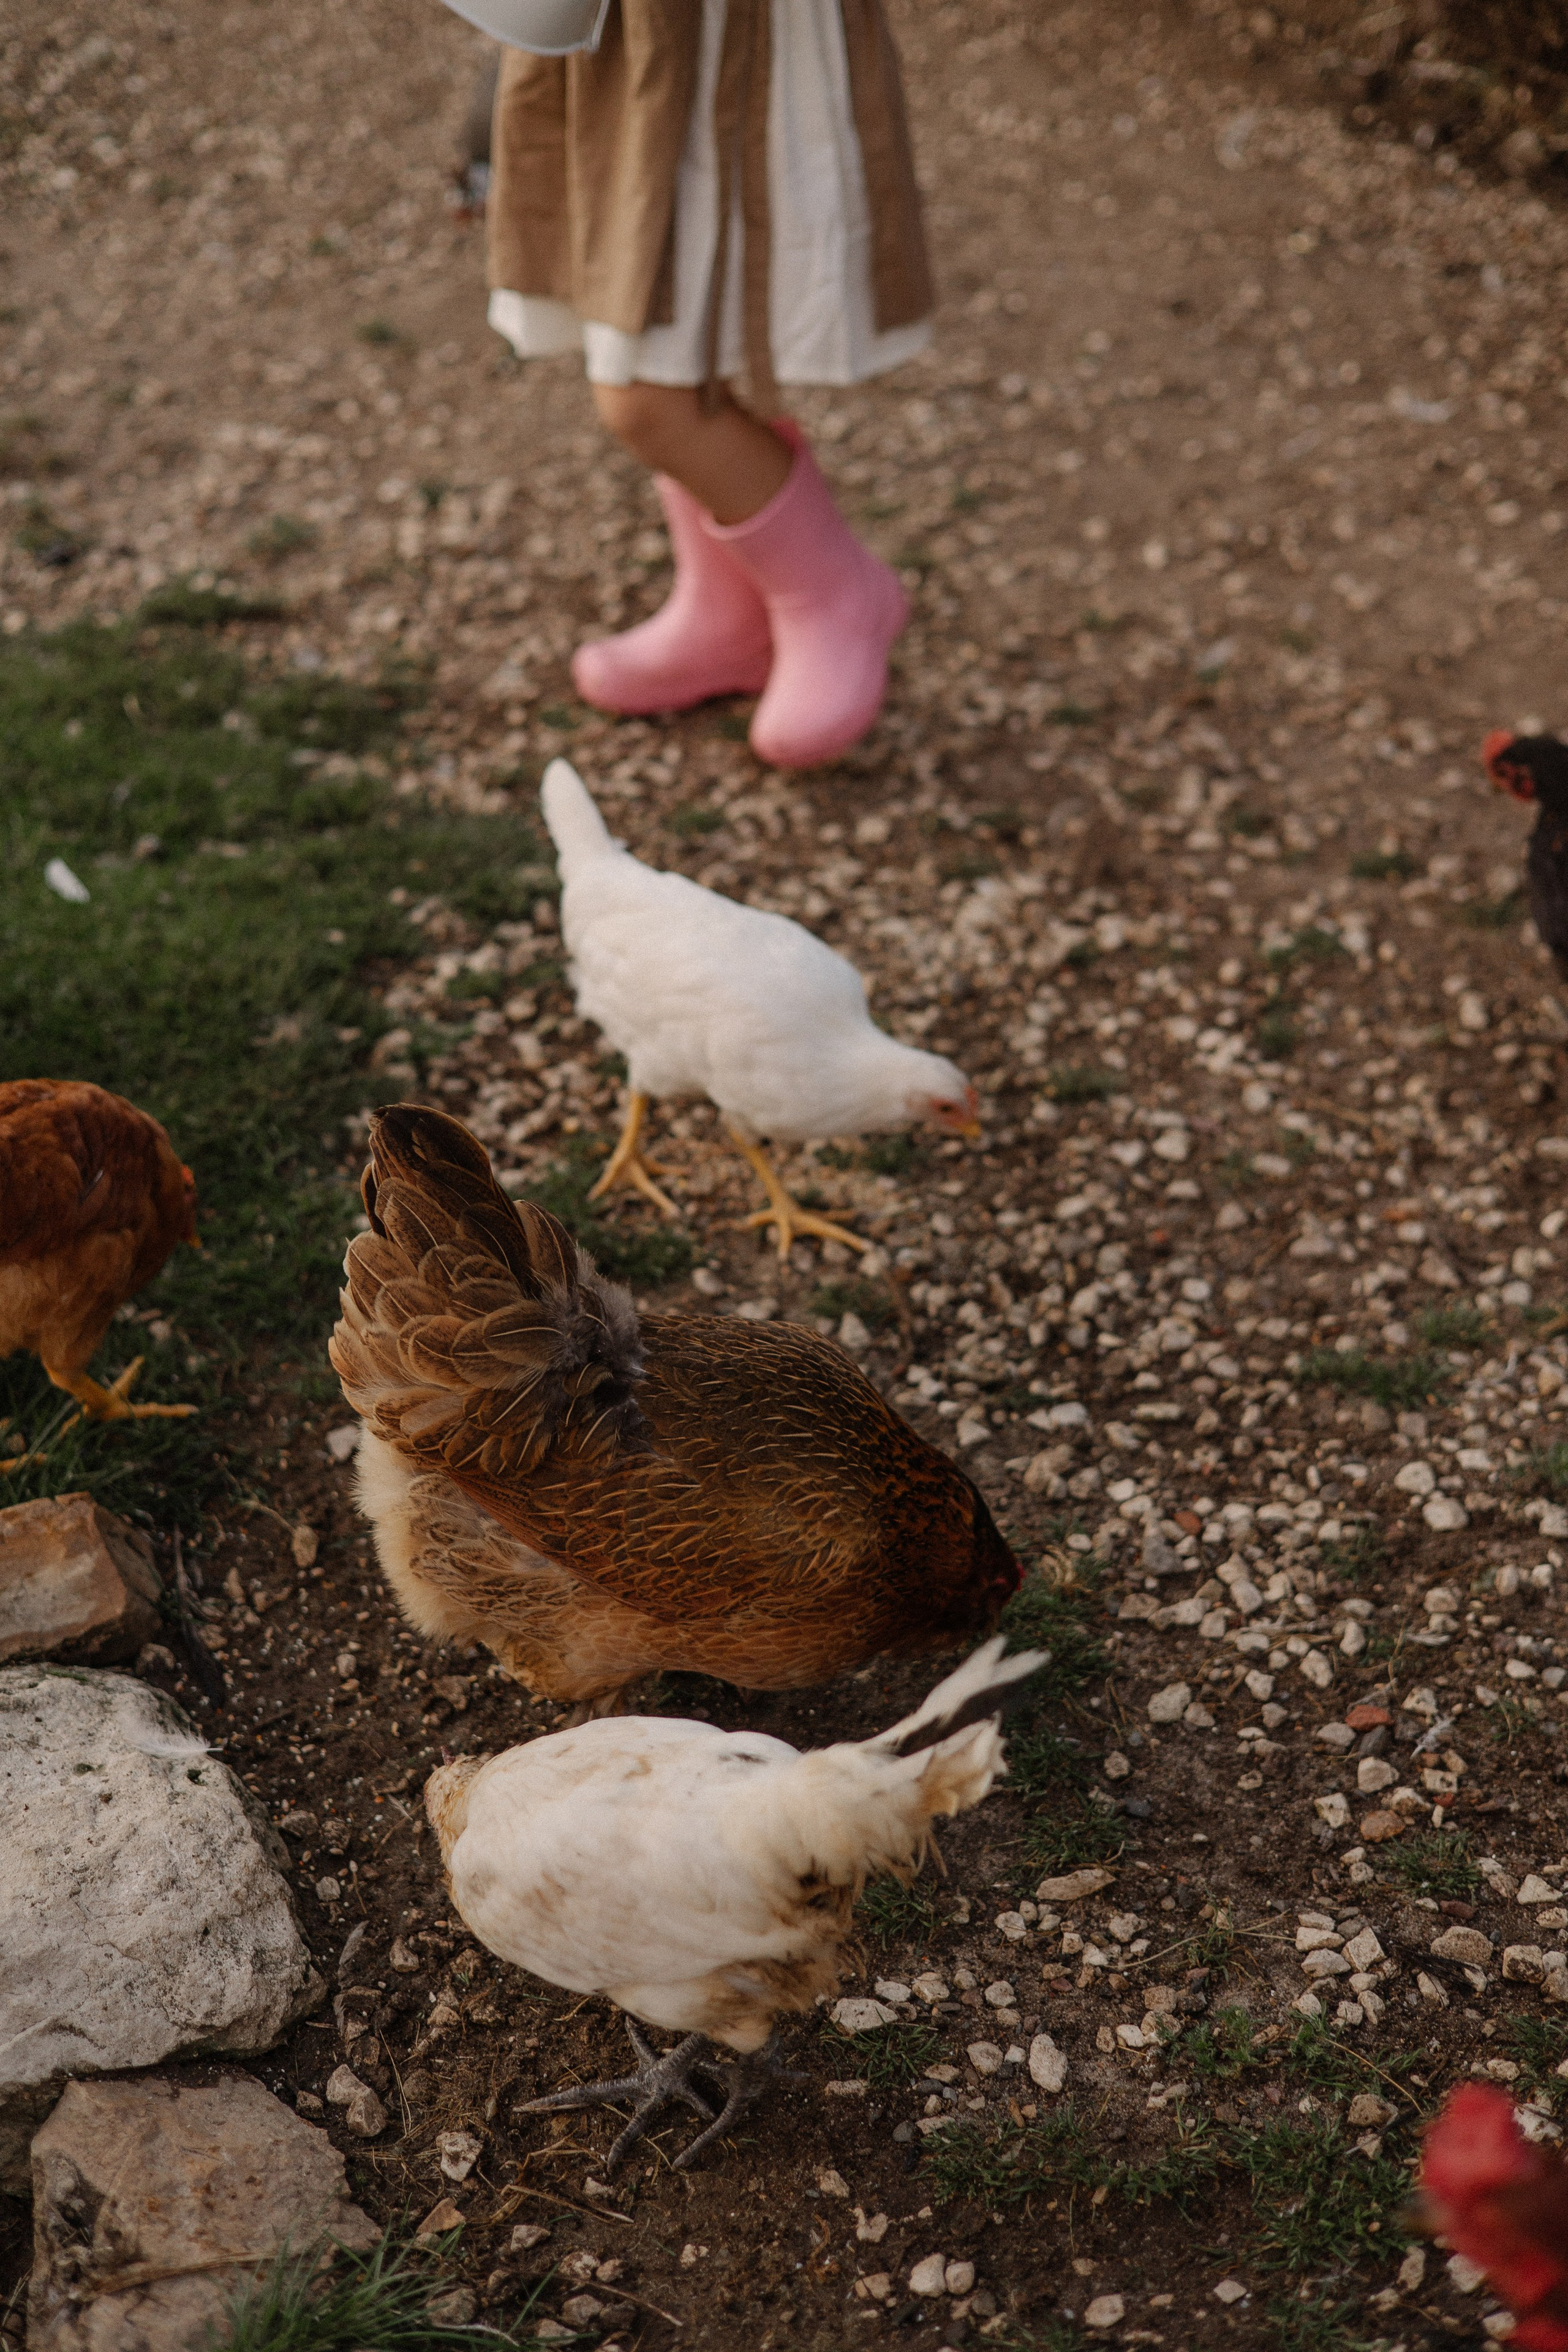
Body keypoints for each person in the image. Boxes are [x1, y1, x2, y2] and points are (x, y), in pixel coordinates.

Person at [484, 0, 933, 767]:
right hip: (622, 45)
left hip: (735, 49)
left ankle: (832, 592)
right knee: (686, 354)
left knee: (645, 398)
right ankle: (730, 613)